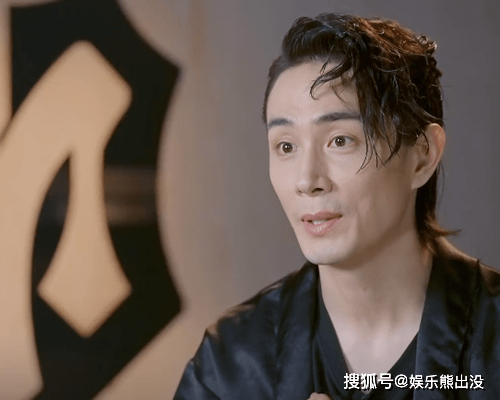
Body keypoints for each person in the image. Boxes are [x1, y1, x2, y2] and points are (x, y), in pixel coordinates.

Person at [174, 13, 500, 400]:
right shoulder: (230, 363)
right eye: (286, 146)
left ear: (422, 155)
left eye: (340, 141)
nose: (307, 180)